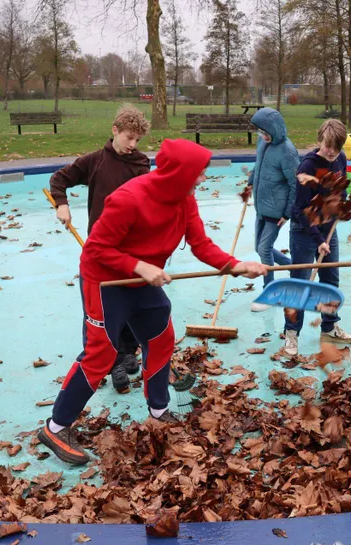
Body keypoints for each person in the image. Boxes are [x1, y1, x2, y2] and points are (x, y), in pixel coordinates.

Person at [38, 139, 267, 465]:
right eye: (198, 174)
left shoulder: (184, 200)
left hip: (142, 281)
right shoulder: (129, 199)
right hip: (106, 281)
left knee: (161, 337)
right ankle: (55, 427)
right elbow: (95, 250)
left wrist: (235, 265)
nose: (202, 180)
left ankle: (159, 411)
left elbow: (200, 243)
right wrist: (140, 266)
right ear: (179, 174)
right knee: (100, 354)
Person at [49, 104, 151, 394]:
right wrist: (62, 204)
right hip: (100, 251)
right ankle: (113, 360)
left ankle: (128, 350)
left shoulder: (141, 164)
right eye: (128, 137)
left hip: (132, 250)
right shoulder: (94, 162)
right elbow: (59, 179)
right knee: (103, 309)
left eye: (137, 140)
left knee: (131, 302)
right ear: (114, 131)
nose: (132, 145)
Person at [283, 119, 351, 356]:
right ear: (319, 141)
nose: (331, 152)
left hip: (328, 228)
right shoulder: (307, 167)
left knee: (330, 281)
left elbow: (340, 188)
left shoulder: (341, 158)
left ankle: (329, 327)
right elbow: (301, 209)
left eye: (335, 147)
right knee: (300, 284)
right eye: (327, 147)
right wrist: (318, 238)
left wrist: (342, 204)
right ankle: (291, 334)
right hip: (304, 231)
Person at [247, 108, 299, 311]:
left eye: (265, 131)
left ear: (275, 129)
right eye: (259, 131)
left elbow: (296, 183)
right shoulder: (263, 142)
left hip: (277, 210)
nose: (262, 135)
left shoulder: (287, 150)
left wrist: (287, 213)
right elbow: (258, 165)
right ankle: (291, 264)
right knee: (258, 247)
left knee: (264, 249)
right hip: (262, 205)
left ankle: (270, 294)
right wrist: (251, 182)